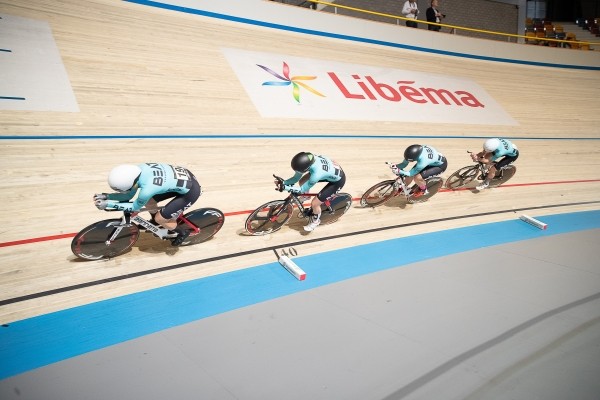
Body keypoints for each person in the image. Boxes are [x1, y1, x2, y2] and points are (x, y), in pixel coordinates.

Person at [93, 163, 202, 246]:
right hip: (183, 177)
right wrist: (107, 196)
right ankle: (155, 219)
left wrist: (108, 203)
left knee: (161, 219)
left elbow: (134, 206)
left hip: (191, 191)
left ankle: (183, 232)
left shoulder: (147, 189)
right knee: (150, 201)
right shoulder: (138, 169)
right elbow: (127, 196)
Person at [277, 152, 346, 232]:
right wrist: (284, 182)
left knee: (315, 203)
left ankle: (316, 221)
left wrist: (285, 188)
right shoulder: (309, 158)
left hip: (338, 181)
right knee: (302, 180)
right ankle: (306, 196)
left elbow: (301, 190)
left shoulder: (316, 175)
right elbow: (296, 178)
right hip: (330, 171)